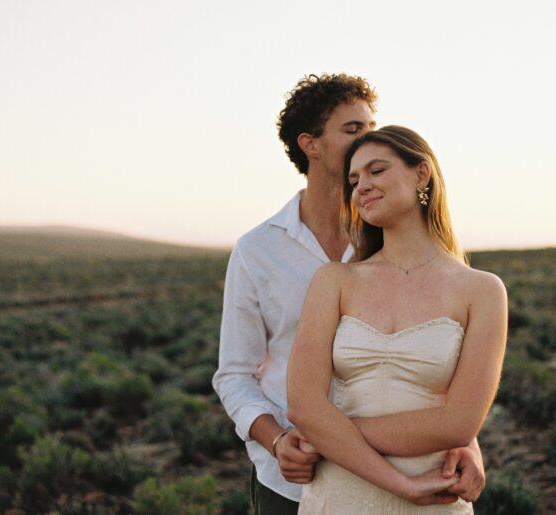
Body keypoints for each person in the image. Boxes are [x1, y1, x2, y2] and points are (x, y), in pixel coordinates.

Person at [212, 75, 487, 515]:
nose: (371, 136)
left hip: (417, 467)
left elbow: (431, 366)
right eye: (353, 129)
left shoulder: (393, 243)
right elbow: (234, 374)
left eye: (372, 125)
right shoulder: (258, 250)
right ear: (312, 144)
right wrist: (280, 440)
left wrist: (466, 443)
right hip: (295, 476)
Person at [286, 125, 508, 513]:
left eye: (377, 171)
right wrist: (401, 485)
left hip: (436, 493)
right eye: (354, 180)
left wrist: (326, 435)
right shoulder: (335, 280)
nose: (362, 187)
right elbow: (304, 406)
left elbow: (458, 424)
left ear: (421, 174)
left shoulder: (482, 290)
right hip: (340, 493)